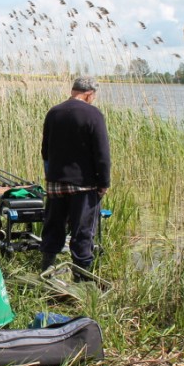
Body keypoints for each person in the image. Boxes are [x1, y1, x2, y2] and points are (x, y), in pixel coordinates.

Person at [40, 76, 110, 281]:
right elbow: (102, 153)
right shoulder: (93, 114)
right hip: (83, 186)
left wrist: (50, 176)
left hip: (55, 183)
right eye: (94, 96)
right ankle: (82, 280)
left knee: (53, 227)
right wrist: (104, 183)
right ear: (89, 94)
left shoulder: (53, 112)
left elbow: (45, 150)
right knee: (82, 232)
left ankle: (47, 273)